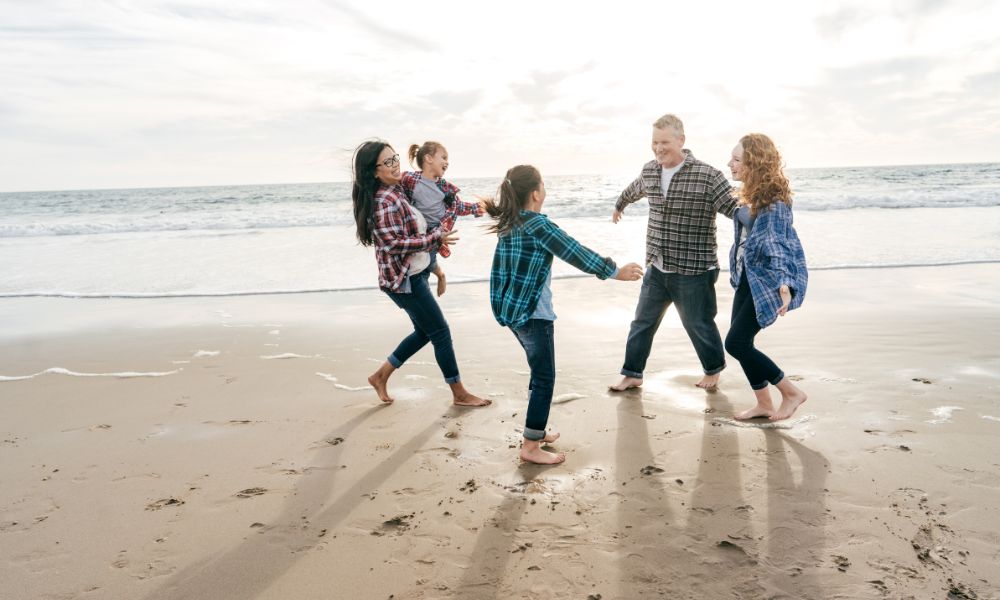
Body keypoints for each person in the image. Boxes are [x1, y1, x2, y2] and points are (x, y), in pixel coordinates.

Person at [487, 165, 644, 464]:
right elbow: (574, 252)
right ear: (535, 193)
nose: (545, 189)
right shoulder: (538, 226)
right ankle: (530, 446)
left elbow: (499, 271)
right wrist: (614, 271)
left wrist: (503, 308)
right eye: (543, 185)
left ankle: (535, 430)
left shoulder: (510, 224)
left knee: (538, 372)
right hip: (535, 315)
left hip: (513, 312)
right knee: (545, 377)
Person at [350, 139, 490, 407]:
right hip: (404, 280)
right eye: (388, 162)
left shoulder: (399, 187)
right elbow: (395, 244)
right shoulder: (384, 200)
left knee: (425, 332)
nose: (395, 165)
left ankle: (380, 376)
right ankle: (459, 393)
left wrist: (435, 266)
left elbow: (430, 199)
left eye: (396, 159)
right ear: (373, 171)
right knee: (440, 332)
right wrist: (436, 237)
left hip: (414, 274)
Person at [609, 114, 738, 392]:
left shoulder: (708, 175)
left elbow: (733, 207)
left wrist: (763, 218)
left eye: (664, 142)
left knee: (698, 323)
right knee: (642, 322)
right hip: (657, 265)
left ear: (681, 140)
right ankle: (632, 373)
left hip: (693, 268)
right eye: (654, 142)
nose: (658, 148)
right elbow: (633, 190)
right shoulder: (650, 171)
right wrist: (620, 205)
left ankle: (713, 370)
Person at [724, 133, 808, 420]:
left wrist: (785, 284)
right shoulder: (755, 195)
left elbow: (779, 245)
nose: (730, 164)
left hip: (768, 280)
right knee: (741, 344)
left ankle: (791, 392)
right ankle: (764, 404)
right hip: (749, 277)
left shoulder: (774, 203)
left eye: (736, 160)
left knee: (735, 343)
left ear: (754, 164)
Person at [401, 141, 485, 297]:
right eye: (444, 157)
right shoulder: (410, 179)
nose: (447, 162)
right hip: (417, 230)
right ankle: (421, 285)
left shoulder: (444, 187)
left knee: (429, 262)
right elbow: (394, 188)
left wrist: (475, 208)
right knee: (416, 262)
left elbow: (457, 206)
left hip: (436, 231)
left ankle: (440, 276)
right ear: (428, 158)